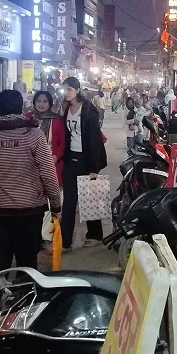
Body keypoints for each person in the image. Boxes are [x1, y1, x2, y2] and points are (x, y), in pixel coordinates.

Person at [0, 89, 60, 310]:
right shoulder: (33, 135)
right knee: (27, 263)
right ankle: (24, 310)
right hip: (29, 211)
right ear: (22, 107)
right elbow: (48, 173)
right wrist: (56, 205)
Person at [60, 77, 108, 250]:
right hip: (70, 159)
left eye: (69, 90)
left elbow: (94, 139)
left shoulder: (88, 110)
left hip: (86, 159)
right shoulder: (66, 109)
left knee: (89, 198)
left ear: (78, 90)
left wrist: (94, 167)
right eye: (64, 89)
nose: (66, 93)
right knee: (69, 201)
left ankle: (95, 234)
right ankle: (65, 241)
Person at [27, 90, 65, 184]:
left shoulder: (56, 120)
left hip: (50, 163)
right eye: (38, 101)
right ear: (34, 102)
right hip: (28, 164)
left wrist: (56, 157)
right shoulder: (27, 118)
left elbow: (62, 143)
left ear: (50, 103)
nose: (41, 104)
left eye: (45, 101)